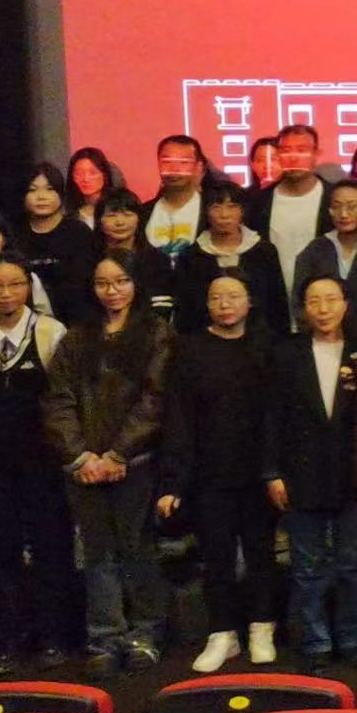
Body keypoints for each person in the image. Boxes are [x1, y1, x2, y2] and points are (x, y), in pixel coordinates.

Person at [42, 254, 173, 674]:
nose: (112, 290)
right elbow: (57, 399)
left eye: (121, 281)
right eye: (103, 283)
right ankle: (104, 637)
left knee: (137, 548)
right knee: (97, 552)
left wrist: (118, 454)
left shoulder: (156, 334)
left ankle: (145, 633)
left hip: (136, 462)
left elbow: (155, 400)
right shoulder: (76, 337)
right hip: (84, 466)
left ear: (136, 284)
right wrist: (81, 455)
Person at [156, 275, 277, 672]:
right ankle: (223, 633)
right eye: (216, 297)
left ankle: (262, 626)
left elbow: (279, 415)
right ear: (206, 304)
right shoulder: (189, 349)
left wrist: (276, 470)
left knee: (261, 553)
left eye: (233, 296)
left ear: (249, 301)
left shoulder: (266, 346)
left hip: (259, 472)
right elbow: (178, 418)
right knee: (216, 556)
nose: (225, 304)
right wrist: (174, 481)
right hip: (208, 473)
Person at [0, 254, 75, 673]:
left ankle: (54, 637)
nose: (6, 293)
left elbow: (63, 398)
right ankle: (4, 641)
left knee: (50, 546)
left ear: (29, 287)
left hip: (42, 457)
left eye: (15, 284)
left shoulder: (50, 331)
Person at [264, 276, 357, 672]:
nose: (323, 309)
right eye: (314, 301)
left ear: (346, 303)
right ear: (303, 308)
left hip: (352, 475)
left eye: (331, 299)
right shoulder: (286, 353)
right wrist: (272, 472)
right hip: (299, 473)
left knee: (352, 566)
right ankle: (316, 643)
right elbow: (271, 417)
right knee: (308, 569)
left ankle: (354, 640)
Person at [172, 180, 287, 335]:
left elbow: (277, 305)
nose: (224, 215)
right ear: (205, 212)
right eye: (216, 207)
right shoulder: (191, 256)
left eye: (232, 207)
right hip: (205, 342)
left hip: (260, 341)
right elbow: (185, 312)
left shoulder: (264, 251)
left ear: (243, 211)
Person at [289, 179, 357, 336]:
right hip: (323, 339)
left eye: (352, 206)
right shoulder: (316, 249)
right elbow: (299, 302)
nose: (343, 214)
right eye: (336, 206)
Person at [250, 125, 332, 297]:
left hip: (324, 300)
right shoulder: (258, 202)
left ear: (316, 154)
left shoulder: (334, 198)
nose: (293, 158)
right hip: (272, 298)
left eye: (302, 150)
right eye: (286, 151)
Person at [20, 163, 98, 327]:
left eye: (49, 189)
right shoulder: (15, 235)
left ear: (61, 194)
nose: (41, 197)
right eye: (33, 190)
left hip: (77, 324)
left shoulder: (79, 232)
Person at [93, 187, 177, 315]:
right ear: (99, 221)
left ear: (139, 219)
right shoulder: (89, 259)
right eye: (111, 215)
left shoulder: (157, 260)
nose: (120, 222)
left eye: (128, 215)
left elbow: (161, 306)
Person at [141, 135, 211, 262]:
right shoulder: (143, 213)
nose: (174, 169)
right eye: (167, 162)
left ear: (198, 166)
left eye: (184, 162)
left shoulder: (211, 209)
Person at [67, 147, 123, 229]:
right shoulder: (67, 213)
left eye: (93, 173)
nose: (85, 179)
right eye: (78, 173)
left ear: (104, 175)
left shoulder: (120, 208)